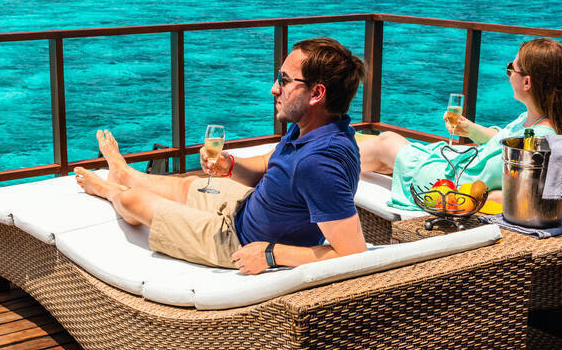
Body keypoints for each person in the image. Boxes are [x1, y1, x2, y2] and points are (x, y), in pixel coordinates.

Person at [74, 37, 369, 275]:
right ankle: (125, 174)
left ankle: (110, 189)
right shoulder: (313, 128)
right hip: (245, 208)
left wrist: (271, 254)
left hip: (236, 241)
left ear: (316, 93)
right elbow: (271, 165)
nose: (273, 89)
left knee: (132, 201)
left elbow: (353, 254)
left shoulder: (319, 164)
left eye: (285, 80)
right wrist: (231, 166)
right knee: (184, 185)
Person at [362, 37, 562, 211]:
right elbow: (500, 141)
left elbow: (525, 196)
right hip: (459, 170)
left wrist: (478, 200)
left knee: (386, 143)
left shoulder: (538, 140)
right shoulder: (537, 121)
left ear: (527, 82)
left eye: (512, 68)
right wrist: (470, 129)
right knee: (387, 158)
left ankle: (328, 167)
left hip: (453, 186)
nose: (509, 73)